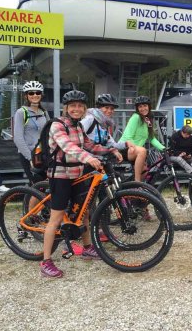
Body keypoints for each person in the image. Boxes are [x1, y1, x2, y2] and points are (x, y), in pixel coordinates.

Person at [41, 90, 121, 278]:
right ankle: (45, 262)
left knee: (83, 211)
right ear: (66, 108)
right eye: (72, 106)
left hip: (77, 174)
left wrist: (110, 150)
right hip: (60, 175)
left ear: (84, 109)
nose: (76, 109)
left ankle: (87, 247)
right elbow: (68, 146)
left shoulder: (78, 127)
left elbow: (90, 145)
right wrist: (88, 159)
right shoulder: (57, 125)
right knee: (56, 218)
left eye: (80, 106)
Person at [81, 94, 146, 181]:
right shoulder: (90, 119)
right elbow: (78, 138)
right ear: (99, 108)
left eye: (112, 109)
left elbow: (112, 144)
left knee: (114, 181)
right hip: (87, 161)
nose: (109, 111)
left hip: (99, 160)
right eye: (106, 107)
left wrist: (126, 144)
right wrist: (88, 157)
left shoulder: (104, 124)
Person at [119, 96, 165, 179]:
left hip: (137, 150)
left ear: (149, 106)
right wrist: (133, 147)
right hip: (126, 148)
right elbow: (128, 135)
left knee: (144, 172)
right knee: (143, 150)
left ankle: (134, 190)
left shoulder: (147, 120)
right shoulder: (136, 117)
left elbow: (152, 138)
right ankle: (137, 183)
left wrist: (163, 148)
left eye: (145, 106)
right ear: (137, 108)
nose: (143, 108)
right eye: (140, 106)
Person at [12, 81, 49, 184]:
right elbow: (18, 138)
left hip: (43, 153)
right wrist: (30, 158)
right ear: (26, 96)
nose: (35, 95)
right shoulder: (21, 112)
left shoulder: (44, 112)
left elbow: (49, 133)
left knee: (46, 185)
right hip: (29, 154)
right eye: (31, 93)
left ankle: (28, 199)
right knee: (37, 185)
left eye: (38, 93)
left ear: (41, 95)